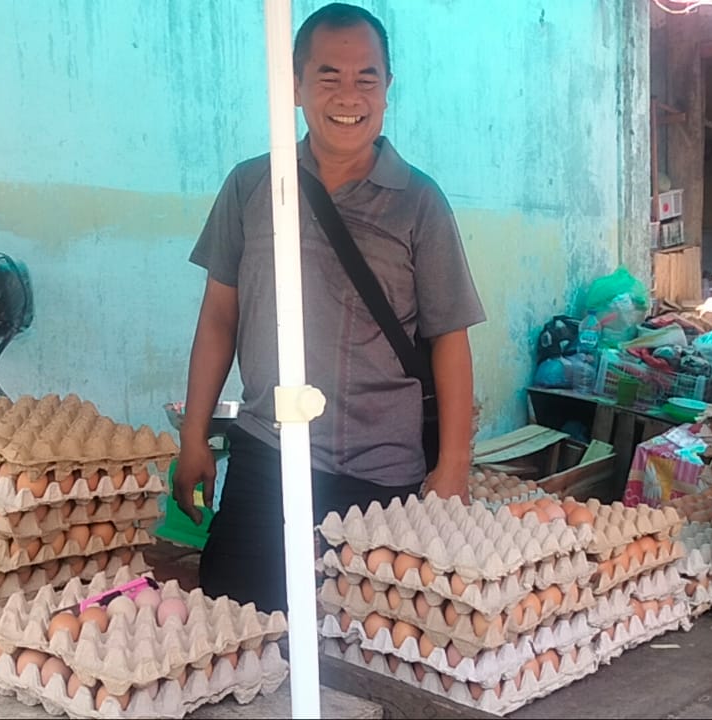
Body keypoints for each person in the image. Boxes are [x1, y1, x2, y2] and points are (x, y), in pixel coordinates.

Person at [175, 2, 486, 612]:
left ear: (387, 89)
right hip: (268, 458)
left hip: (383, 479)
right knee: (238, 634)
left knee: (366, 653)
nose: (349, 95)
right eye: (328, 76)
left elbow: (450, 338)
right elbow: (218, 319)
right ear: (295, 85)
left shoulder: (420, 204)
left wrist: (452, 468)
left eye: (366, 77)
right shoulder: (250, 187)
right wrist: (194, 440)